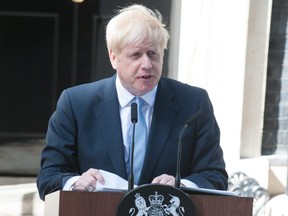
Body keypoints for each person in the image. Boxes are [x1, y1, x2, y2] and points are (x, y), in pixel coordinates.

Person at [37, 4, 228, 200]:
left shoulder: (194, 102)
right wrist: (76, 183)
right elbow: (49, 176)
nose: (146, 64)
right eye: (135, 55)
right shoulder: (76, 103)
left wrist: (181, 185)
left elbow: (214, 176)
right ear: (113, 57)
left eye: (153, 54)